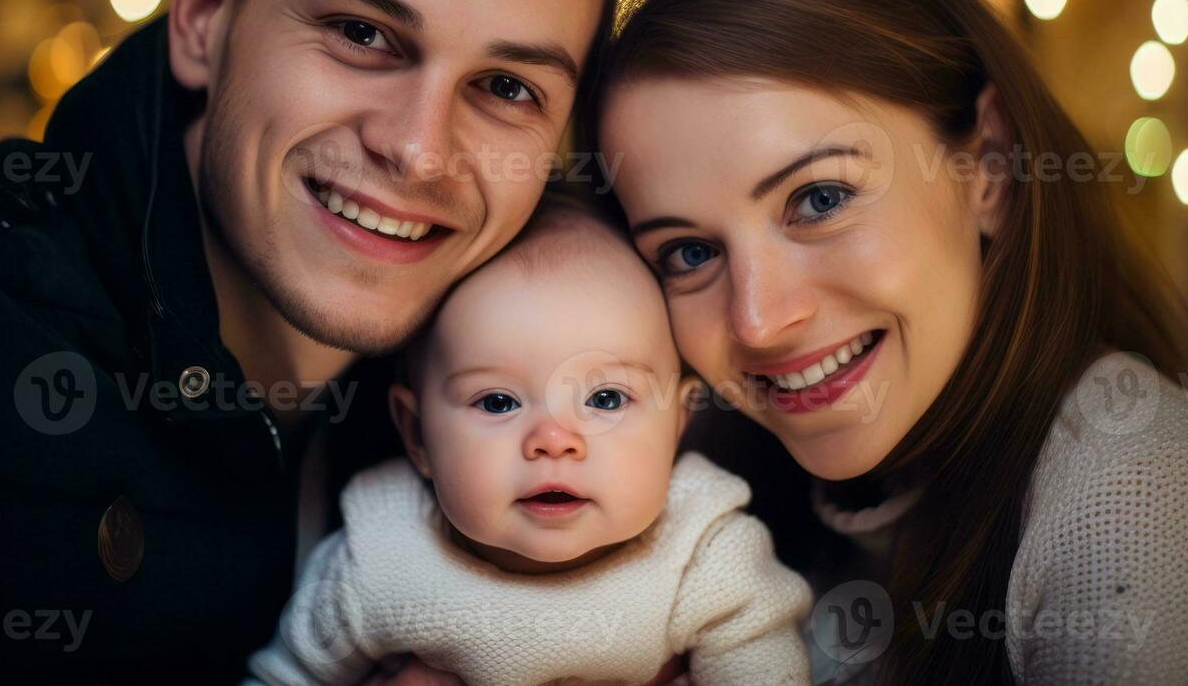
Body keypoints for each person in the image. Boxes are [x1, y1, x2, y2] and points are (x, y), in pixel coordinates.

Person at [0, 0, 628, 684]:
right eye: (362, 32)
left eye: (507, 89)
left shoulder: (565, 408)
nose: (417, 149)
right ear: (207, 14)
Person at [588, 0, 1188, 685]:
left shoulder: (1135, 479)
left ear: (988, 164)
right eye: (688, 253)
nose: (757, 319)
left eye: (818, 199)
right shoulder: (695, 487)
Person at [246, 191, 813, 686]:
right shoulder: (379, 555)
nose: (553, 441)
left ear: (678, 423)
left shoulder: (704, 551)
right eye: (498, 402)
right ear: (416, 435)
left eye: (606, 399)